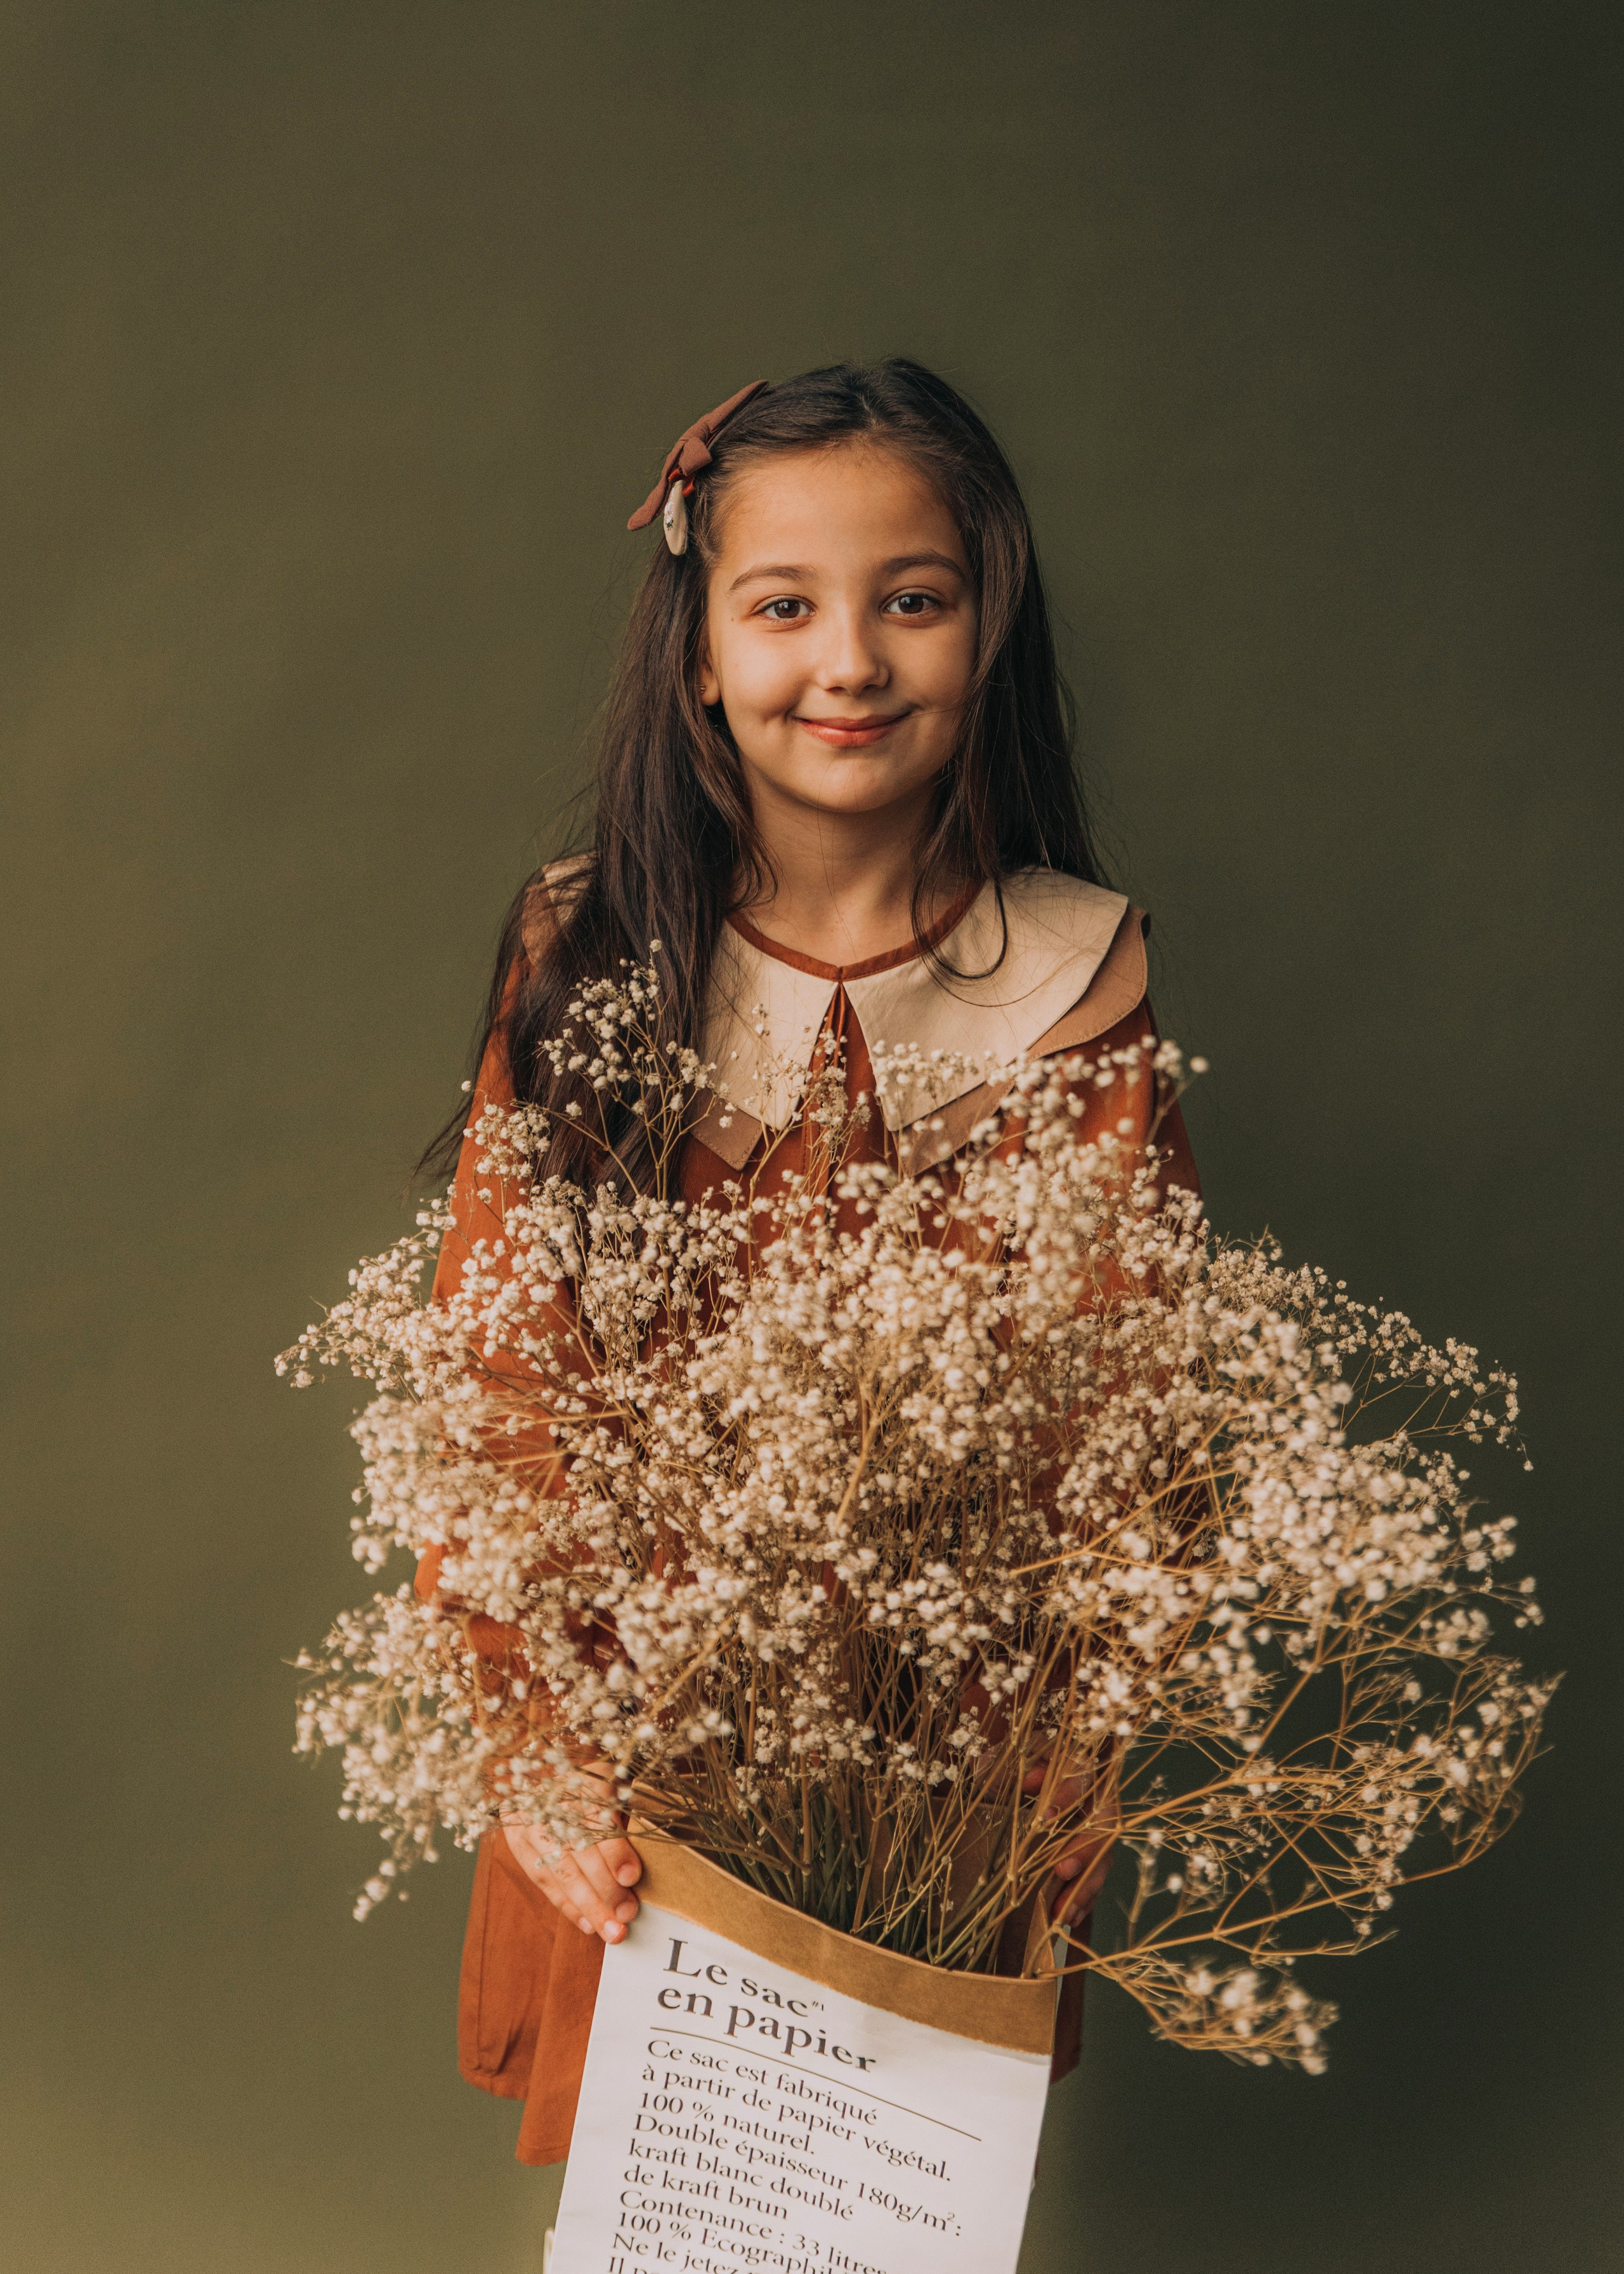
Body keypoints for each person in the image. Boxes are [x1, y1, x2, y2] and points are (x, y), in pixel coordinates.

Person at [414, 360, 1199, 2167]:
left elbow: (1128, 1426)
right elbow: (496, 1376)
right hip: (645, 1733)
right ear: (699, 648)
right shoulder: (589, 960)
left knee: (882, 2193)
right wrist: (536, 1736)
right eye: (784, 607)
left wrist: (1052, 1774)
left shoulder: (1077, 995)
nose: (847, 661)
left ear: (986, 629)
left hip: (942, 1756)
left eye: (910, 601)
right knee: (666, 2189)